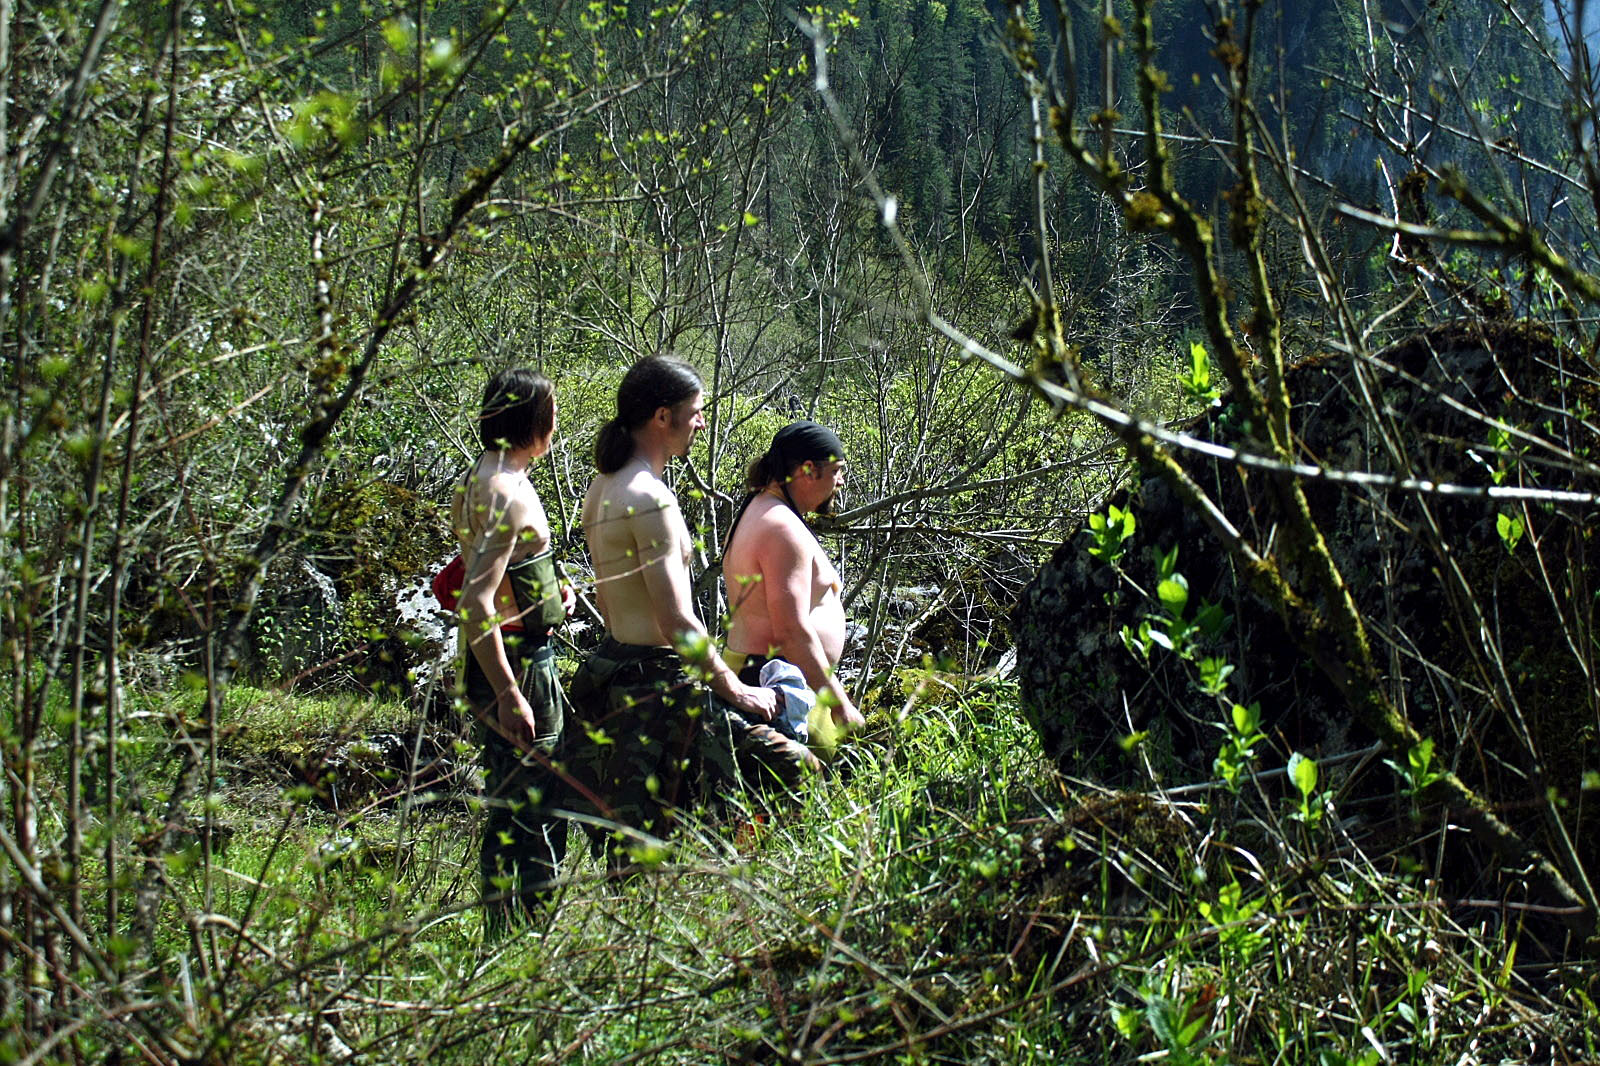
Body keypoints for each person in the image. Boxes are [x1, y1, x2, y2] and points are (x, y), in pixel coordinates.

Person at [567, 357, 815, 856]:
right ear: (663, 416)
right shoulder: (648, 498)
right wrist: (737, 691)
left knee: (645, 842)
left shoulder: (604, 485)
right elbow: (676, 620)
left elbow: (605, 598)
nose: (701, 422)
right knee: (794, 767)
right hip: (661, 684)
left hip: (619, 673)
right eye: (696, 411)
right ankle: (758, 879)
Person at [451, 367, 573, 934]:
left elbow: (501, 578)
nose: (556, 426)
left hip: (506, 655)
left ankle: (507, 935)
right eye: (552, 414)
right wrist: (509, 692)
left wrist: (551, 592)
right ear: (533, 421)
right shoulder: (504, 491)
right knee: (534, 807)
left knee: (513, 803)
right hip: (517, 665)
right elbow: (476, 600)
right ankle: (524, 939)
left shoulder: (481, 477)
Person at [722, 421, 867, 755]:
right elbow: (791, 631)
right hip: (774, 687)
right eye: (836, 471)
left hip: (777, 678)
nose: (841, 482)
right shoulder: (781, 528)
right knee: (801, 785)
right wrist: (840, 705)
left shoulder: (761, 508)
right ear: (808, 470)